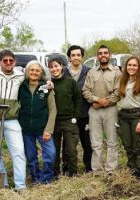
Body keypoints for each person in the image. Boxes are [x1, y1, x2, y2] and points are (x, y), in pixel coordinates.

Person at [0, 49, 27, 191]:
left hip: (11, 118)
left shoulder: (21, 75)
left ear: (14, 62)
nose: (8, 63)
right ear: (0, 61)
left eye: (11, 60)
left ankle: (20, 185)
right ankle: (2, 184)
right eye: (5, 60)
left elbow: (39, 72)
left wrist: (49, 82)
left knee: (19, 151)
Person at [82, 45, 122, 175]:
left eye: (105, 53)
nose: (103, 55)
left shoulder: (117, 72)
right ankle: (97, 170)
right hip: (94, 112)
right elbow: (85, 91)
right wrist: (97, 100)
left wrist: (101, 103)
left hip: (111, 111)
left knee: (112, 141)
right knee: (96, 142)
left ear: (110, 55)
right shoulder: (91, 72)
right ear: (97, 56)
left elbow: (118, 93)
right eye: (100, 53)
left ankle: (111, 169)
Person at [18, 60, 57, 184]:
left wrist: (48, 130)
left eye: (37, 70)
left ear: (41, 73)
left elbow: (53, 110)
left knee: (50, 154)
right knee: (31, 157)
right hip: (26, 130)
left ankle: (47, 178)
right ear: (27, 72)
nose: (34, 72)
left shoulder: (46, 87)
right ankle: (35, 178)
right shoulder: (21, 87)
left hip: (42, 129)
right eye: (32, 70)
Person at [117, 56, 140, 180]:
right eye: (129, 65)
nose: (132, 67)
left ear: (139, 67)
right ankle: (132, 169)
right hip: (124, 116)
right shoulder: (122, 80)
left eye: (134, 65)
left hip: (137, 116)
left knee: (138, 146)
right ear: (126, 67)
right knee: (128, 145)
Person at [49, 58, 81, 177]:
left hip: (69, 120)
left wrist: (76, 117)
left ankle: (72, 173)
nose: (54, 69)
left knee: (70, 149)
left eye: (56, 66)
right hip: (54, 121)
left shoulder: (70, 82)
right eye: (51, 67)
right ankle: (55, 173)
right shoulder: (48, 83)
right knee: (54, 150)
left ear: (62, 66)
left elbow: (78, 99)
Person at [63, 45, 92, 173]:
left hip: (85, 113)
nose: (76, 57)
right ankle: (67, 167)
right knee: (68, 144)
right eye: (73, 55)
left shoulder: (88, 71)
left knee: (87, 142)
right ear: (69, 57)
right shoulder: (63, 71)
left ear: (82, 57)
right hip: (68, 115)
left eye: (78, 55)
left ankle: (89, 167)